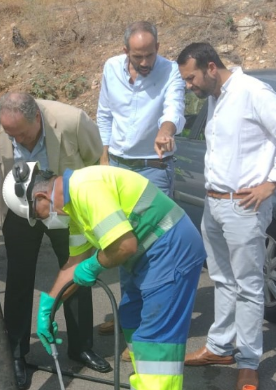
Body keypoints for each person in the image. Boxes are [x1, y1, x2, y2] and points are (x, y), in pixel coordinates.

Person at [2, 162, 206, 390]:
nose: (41, 221)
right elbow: (73, 264)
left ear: (40, 195)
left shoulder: (86, 188)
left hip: (169, 251)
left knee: (157, 352)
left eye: (37, 215)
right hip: (146, 256)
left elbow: (121, 246)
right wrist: (48, 305)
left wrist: (94, 265)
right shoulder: (74, 206)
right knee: (133, 325)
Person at [176, 43, 276, 390]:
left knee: (248, 286)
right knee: (222, 278)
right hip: (215, 203)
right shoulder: (218, 96)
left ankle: (248, 362)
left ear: (211, 67)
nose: (189, 86)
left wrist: (272, 183)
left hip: (243, 206)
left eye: (191, 78)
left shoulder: (252, 92)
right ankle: (219, 347)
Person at [0, 92, 110, 390]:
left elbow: (93, 156)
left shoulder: (71, 120)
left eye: (24, 133)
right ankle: (17, 353)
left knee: (77, 271)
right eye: (12, 135)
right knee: (18, 279)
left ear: (37, 117)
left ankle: (80, 346)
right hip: (20, 207)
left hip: (64, 204)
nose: (19, 141)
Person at [95, 20, 186, 337]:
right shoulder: (110, 68)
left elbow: (175, 106)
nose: (145, 63)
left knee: (153, 248)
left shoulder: (170, 71)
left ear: (157, 48)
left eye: (150, 55)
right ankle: (129, 319)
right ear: (125, 53)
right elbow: (104, 113)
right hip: (118, 167)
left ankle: (149, 324)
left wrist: (166, 129)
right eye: (138, 57)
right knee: (123, 244)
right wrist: (104, 155)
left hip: (153, 169)